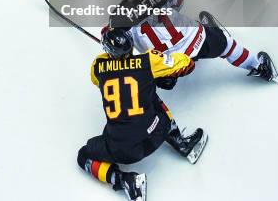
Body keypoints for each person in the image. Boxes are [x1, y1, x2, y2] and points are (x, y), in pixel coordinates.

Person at [77, 26, 207, 201]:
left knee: (83, 155)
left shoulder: (97, 67)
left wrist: (114, 64)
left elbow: (96, 80)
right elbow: (184, 62)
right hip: (157, 132)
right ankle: (180, 142)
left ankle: (124, 180)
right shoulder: (149, 62)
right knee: (149, 93)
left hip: (124, 151)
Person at [110, 0, 278, 85]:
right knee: (226, 45)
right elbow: (179, 3)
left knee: (147, 68)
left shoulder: (117, 18)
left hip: (168, 65)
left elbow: (123, 47)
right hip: (196, 40)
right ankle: (259, 66)